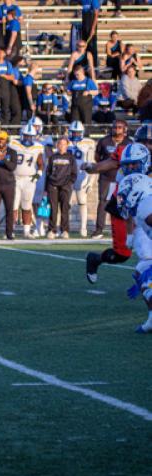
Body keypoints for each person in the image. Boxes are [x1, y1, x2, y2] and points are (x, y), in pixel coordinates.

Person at [85, 140, 150, 285]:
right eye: (147, 142)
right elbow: (126, 208)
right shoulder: (125, 172)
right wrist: (129, 234)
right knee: (122, 254)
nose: (149, 145)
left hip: (145, 206)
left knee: (147, 253)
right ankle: (96, 259)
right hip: (123, 209)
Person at [118, 174, 152, 333]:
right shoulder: (143, 208)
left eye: (126, 193)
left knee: (146, 273)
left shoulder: (146, 207)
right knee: (142, 272)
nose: (123, 198)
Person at [92, 120, 132, 238]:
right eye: (115, 127)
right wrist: (104, 167)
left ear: (125, 129)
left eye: (119, 127)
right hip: (106, 177)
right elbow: (97, 157)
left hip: (123, 178)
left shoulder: (129, 142)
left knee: (124, 203)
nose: (116, 129)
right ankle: (99, 230)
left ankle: (125, 230)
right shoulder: (104, 141)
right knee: (103, 202)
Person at [10, 123, 44, 239]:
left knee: (27, 205)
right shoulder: (14, 144)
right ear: (22, 135)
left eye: (30, 136)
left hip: (29, 179)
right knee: (13, 205)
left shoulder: (38, 147)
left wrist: (37, 176)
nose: (28, 138)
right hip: (15, 178)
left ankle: (26, 231)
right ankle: (11, 230)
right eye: (26, 136)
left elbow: (40, 164)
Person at [67, 120, 96, 238]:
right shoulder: (65, 142)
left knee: (82, 202)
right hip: (67, 175)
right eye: (74, 133)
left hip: (81, 175)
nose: (76, 135)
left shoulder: (88, 143)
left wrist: (91, 181)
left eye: (78, 133)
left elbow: (91, 163)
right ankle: (65, 227)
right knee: (65, 203)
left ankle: (83, 227)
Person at [46, 137, 77, 239]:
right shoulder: (52, 157)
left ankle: (64, 230)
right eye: (60, 144)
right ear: (57, 145)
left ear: (67, 145)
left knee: (64, 209)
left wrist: (68, 183)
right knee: (53, 209)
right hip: (53, 186)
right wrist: (48, 187)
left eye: (64, 144)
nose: (62, 146)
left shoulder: (71, 158)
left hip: (65, 186)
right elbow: (48, 172)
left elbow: (74, 173)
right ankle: (52, 230)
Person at [80, 0, 99, 68]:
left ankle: (94, 67)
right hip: (85, 24)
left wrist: (93, 28)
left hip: (91, 24)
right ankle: (85, 66)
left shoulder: (94, 1)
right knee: (85, 46)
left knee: (92, 46)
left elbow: (96, 14)